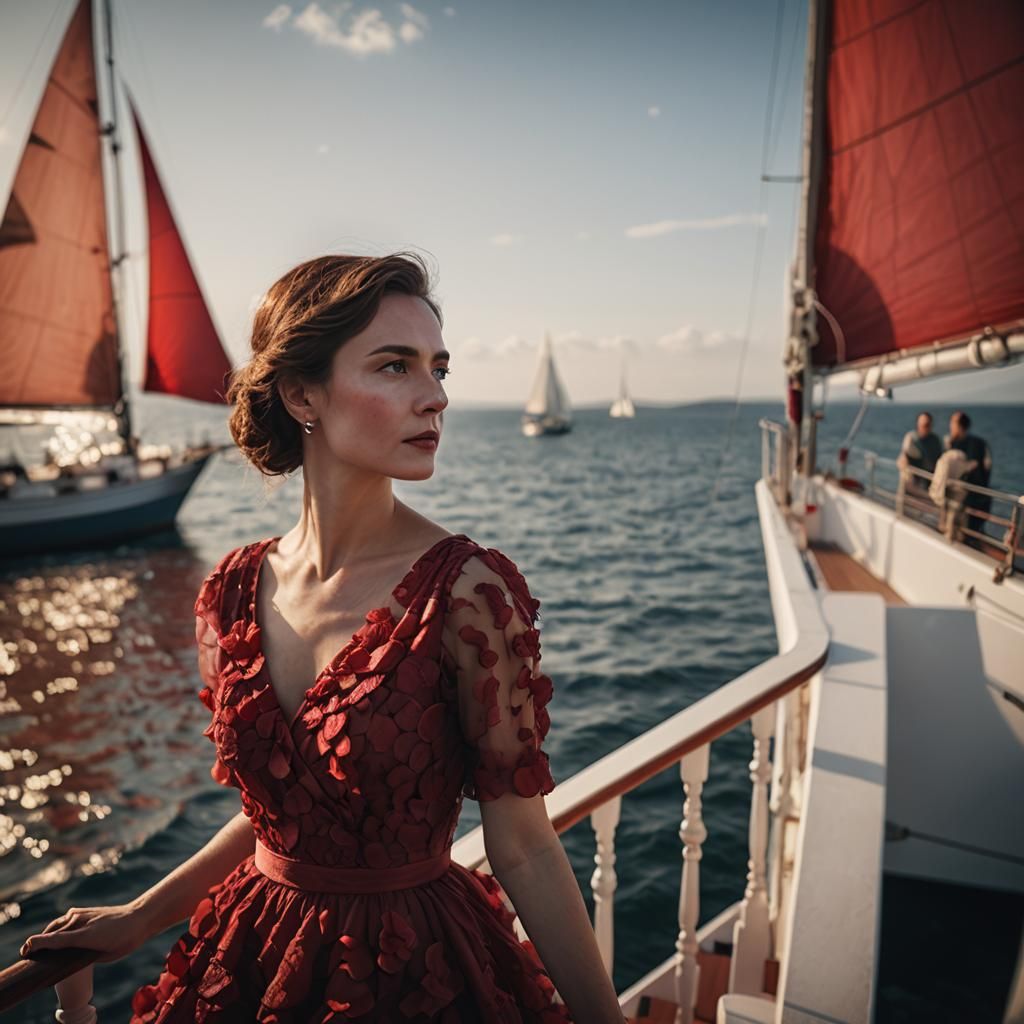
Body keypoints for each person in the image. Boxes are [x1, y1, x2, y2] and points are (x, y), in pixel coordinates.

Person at [20, 253, 625, 1023]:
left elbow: (525, 846)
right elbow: (280, 812)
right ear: (302, 393)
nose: (436, 396)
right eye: (395, 366)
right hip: (251, 958)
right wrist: (142, 916)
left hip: (414, 970)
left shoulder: (468, 595)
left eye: (438, 368)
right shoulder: (232, 591)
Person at [947, 410, 993, 543]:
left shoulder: (972, 444)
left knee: (966, 538)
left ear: (959, 426)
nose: (950, 426)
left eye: (952, 422)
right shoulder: (976, 443)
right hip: (975, 499)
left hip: (970, 501)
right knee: (969, 535)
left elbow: (973, 467)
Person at [896, 411, 943, 494]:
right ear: (918, 424)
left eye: (927, 425)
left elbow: (939, 458)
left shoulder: (935, 440)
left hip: (930, 478)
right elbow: (904, 454)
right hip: (913, 477)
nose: (924, 427)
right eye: (922, 425)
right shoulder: (912, 438)